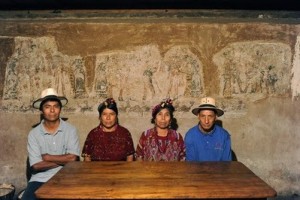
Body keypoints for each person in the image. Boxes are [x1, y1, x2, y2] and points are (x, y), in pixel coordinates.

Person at [22, 88, 80, 200]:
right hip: (39, 179)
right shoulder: (33, 134)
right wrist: (64, 160)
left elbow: (73, 158)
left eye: (56, 106)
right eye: (47, 107)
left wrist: (47, 157)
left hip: (66, 177)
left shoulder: (70, 130)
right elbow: (36, 165)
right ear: (42, 110)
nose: (52, 110)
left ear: (60, 109)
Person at [184, 97, 232, 161]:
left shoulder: (224, 136)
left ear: (216, 117)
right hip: (196, 171)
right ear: (198, 116)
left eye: (210, 116)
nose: (206, 121)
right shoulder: (190, 135)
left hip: (219, 171)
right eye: (203, 116)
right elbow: (190, 165)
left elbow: (227, 164)